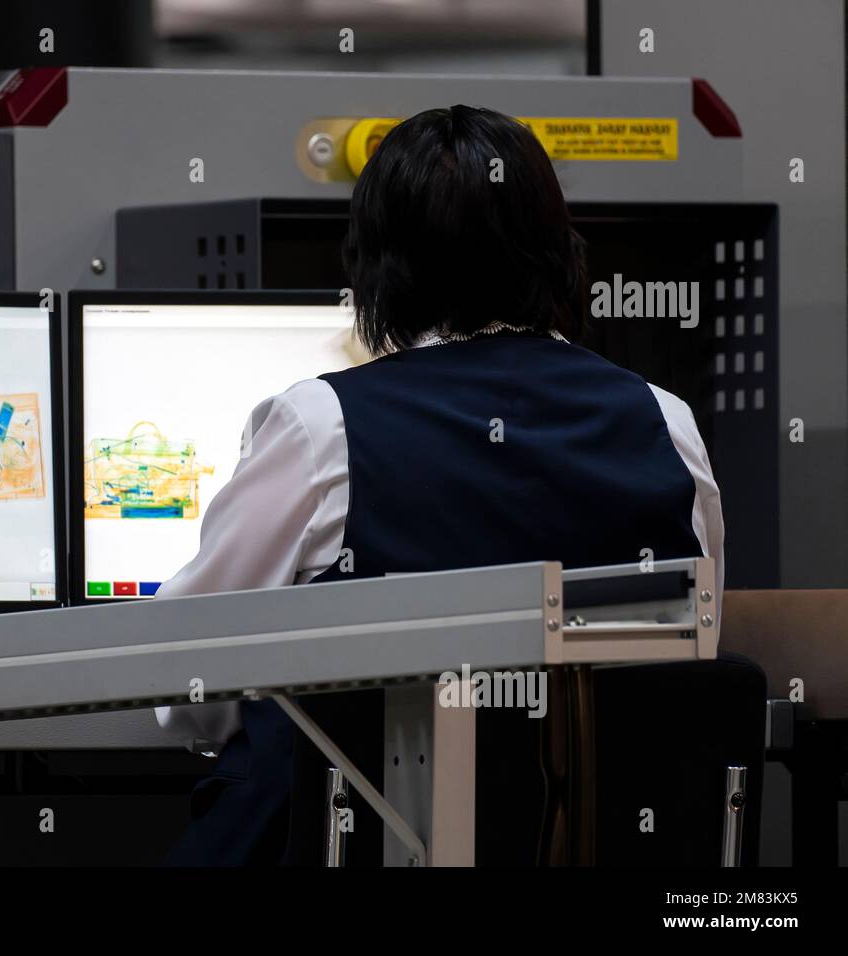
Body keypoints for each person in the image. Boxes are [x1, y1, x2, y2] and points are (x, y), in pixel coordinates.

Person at [152, 105, 723, 866]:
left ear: (377, 265)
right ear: (558, 251)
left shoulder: (323, 427)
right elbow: (690, 655)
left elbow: (185, 682)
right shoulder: (668, 423)